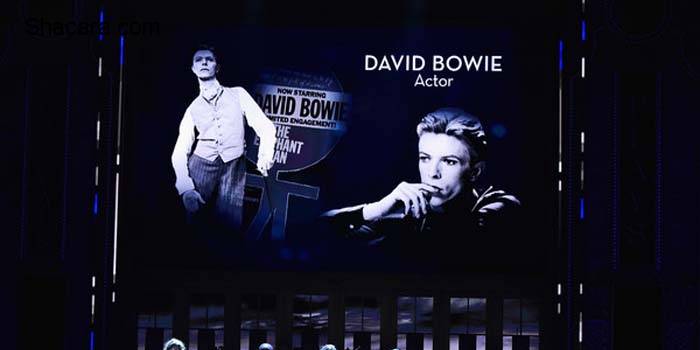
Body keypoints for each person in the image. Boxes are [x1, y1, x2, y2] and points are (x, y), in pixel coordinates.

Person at [322, 108, 520, 259]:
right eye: (425, 158)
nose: (432, 173)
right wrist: (376, 209)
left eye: (449, 161)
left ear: (475, 171)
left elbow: (461, 240)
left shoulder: (501, 205)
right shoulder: (413, 214)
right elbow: (317, 230)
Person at [171, 44, 276, 230]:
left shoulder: (238, 94)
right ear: (193, 68)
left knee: (230, 222)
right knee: (192, 221)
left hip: (234, 165)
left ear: (217, 67)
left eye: (209, 59)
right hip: (201, 165)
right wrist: (186, 188)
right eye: (198, 60)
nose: (204, 62)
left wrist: (265, 156)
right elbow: (179, 151)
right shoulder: (192, 108)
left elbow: (266, 126)